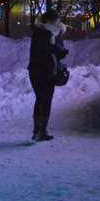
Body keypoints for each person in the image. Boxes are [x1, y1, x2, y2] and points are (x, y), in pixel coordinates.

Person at [28, 8, 68, 141]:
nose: (59, 23)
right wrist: (54, 49)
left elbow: (55, 53)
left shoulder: (57, 34)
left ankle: (42, 131)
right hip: (38, 71)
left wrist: (60, 52)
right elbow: (36, 53)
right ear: (50, 21)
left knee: (47, 101)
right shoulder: (40, 32)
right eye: (57, 20)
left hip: (51, 71)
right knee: (41, 98)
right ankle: (36, 131)